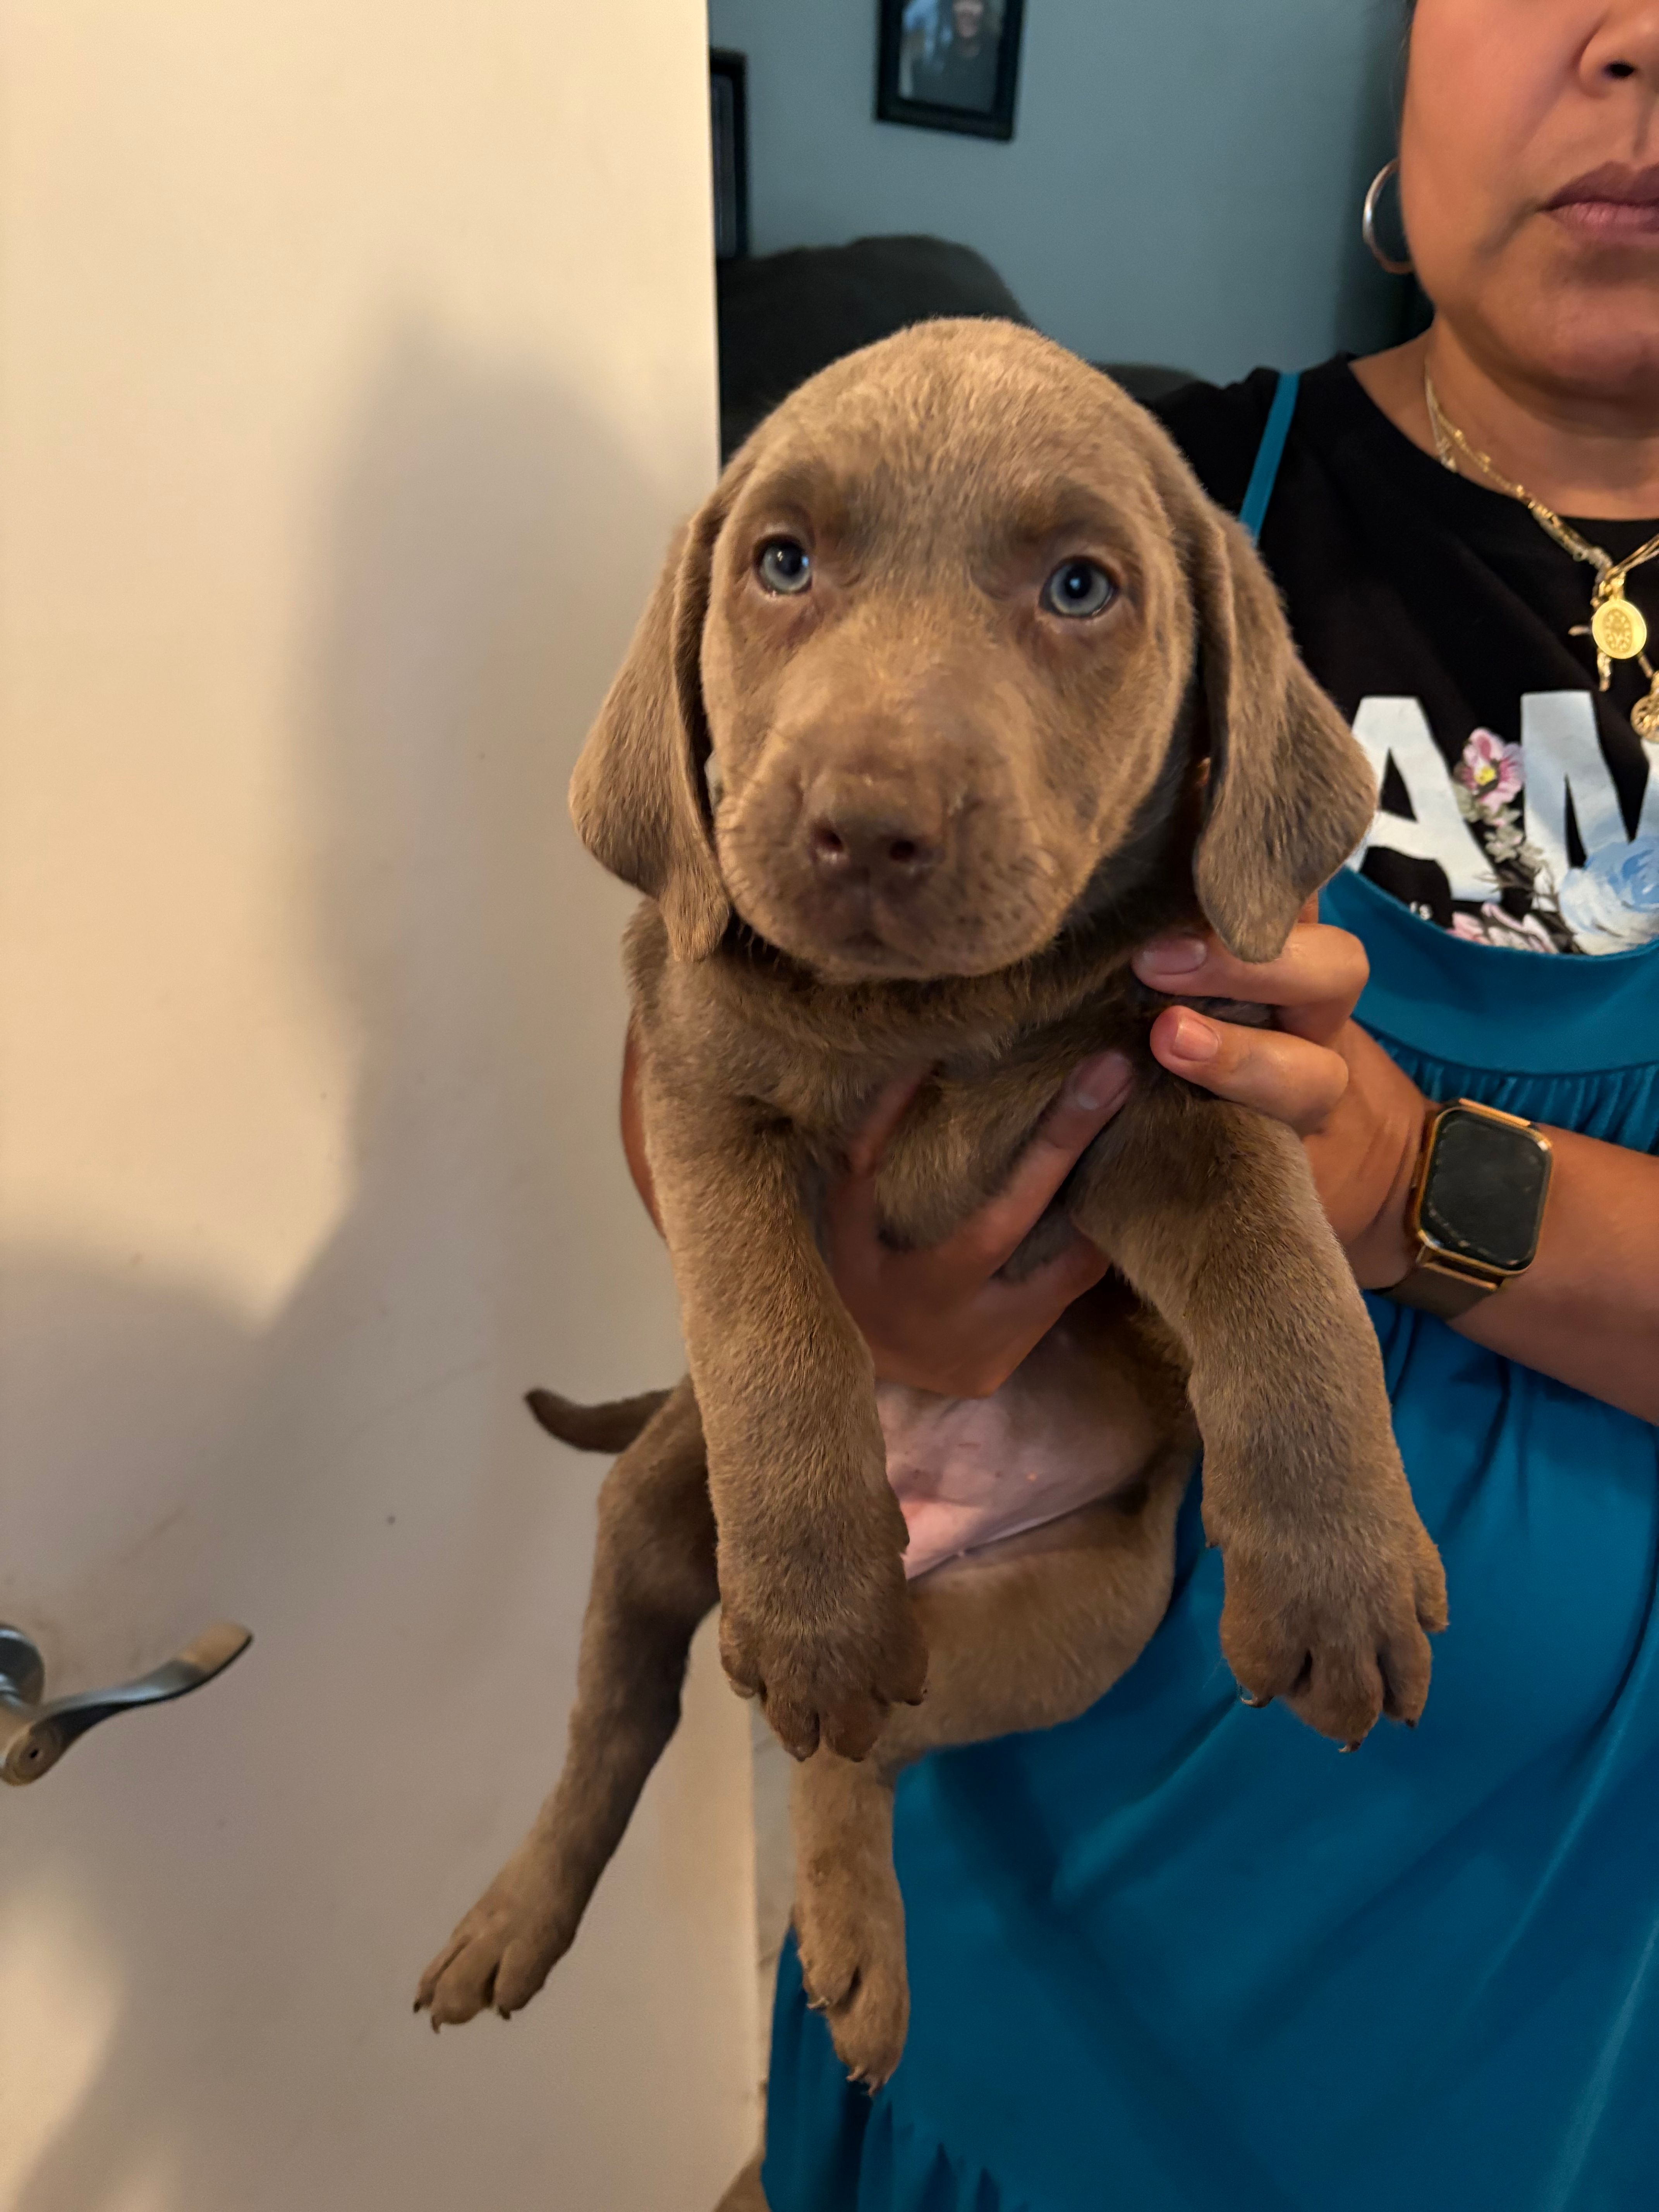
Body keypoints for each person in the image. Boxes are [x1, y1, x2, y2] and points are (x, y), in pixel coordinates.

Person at [631, 2, 1659, 2202]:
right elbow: (701, 1046)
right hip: (1073, 1941)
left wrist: (1409, 1183)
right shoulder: (1149, 497)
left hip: (1584, 2016)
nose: (1640, 38)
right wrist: (861, 1279)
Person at [907, 0, 1001, 116]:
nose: (967, 10)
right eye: (960, 2)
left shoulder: (998, 62)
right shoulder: (930, 66)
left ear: (985, 9)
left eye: (975, 2)